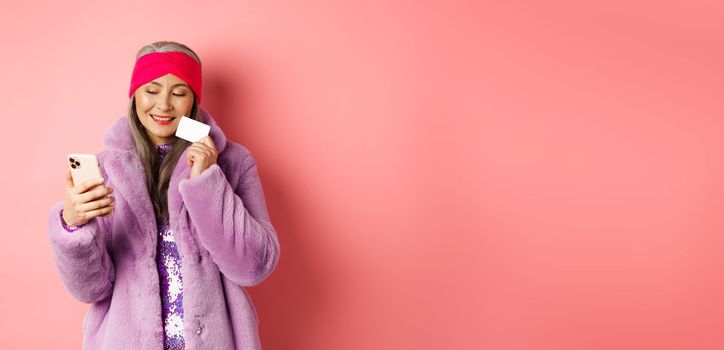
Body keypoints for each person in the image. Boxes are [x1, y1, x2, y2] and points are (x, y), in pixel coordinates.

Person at [47, 41, 281, 350]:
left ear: (194, 103)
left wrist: (207, 181)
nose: (164, 105)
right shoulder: (106, 169)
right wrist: (74, 226)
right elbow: (90, 288)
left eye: (179, 93)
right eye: (152, 90)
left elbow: (253, 266)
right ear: (134, 97)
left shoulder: (234, 163)